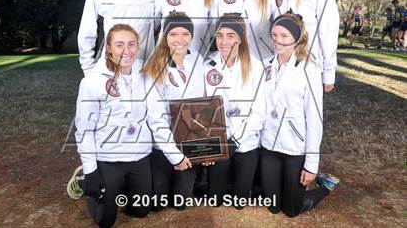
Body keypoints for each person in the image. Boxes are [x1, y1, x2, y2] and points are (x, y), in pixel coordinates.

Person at [67, 24, 191, 227]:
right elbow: (85, 130)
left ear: (138, 46)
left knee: (141, 211)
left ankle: (117, 187)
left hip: (139, 156)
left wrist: (174, 156)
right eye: (119, 45)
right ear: (108, 48)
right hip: (107, 158)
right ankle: (83, 178)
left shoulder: (146, 72)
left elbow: (156, 117)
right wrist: (91, 170)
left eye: (132, 44)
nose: (127, 51)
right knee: (105, 221)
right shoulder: (92, 82)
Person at [251, 12, 340, 217]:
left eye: (284, 36)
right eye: (274, 35)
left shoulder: (309, 68)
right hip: (269, 145)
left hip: (295, 148)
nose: (277, 41)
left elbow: (314, 118)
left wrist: (310, 164)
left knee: (291, 210)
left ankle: (325, 186)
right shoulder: (265, 65)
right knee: (273, 206)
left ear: (297, 38)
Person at [142, 12, 205, 210]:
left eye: (185, 34)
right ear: (165, 36)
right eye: (173, 34)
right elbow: (156, 118)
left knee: (180, 204)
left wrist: (207, 147)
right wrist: (174, 156)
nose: (180, 40)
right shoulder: (154, 66)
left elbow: (203, 107)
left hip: (189, 140)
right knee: (156, 205)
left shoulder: (199, 59)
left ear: (192, 36)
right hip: (163, 145)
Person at [203, 13, 264, 208]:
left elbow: (259, 113)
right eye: (220, 35)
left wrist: (235, 141)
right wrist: (210, 144)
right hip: (220, 141)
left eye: (230, 35)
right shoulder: (207, 65)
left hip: (245, 143)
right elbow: (204, 109)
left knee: (239, 203)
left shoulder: (255, 66)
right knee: (215, 200)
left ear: (240, 38)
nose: (224, 41)